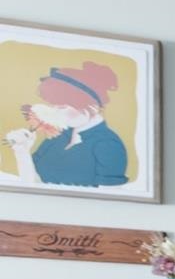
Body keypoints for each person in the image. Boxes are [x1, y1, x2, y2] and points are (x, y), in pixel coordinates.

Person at [5, 61, 131, 189]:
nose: (55, 113)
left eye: (62, 107)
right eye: (53, 106)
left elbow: (109, 197)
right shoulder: (59, 136)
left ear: (93, 106)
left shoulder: (108, 144)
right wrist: (22, 151)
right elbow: (32, 185)